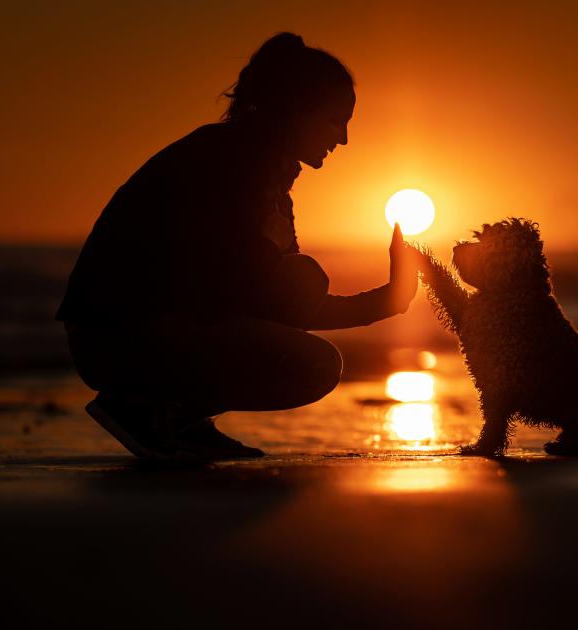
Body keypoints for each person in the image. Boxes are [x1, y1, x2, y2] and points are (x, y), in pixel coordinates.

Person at [56, 33, 419, 461]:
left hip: (140, 331)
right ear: (295, 111)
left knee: (302, 307)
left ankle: (175, 417)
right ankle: (148, 411)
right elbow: (268, 297)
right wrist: (304, 285)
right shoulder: (227, 165)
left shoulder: (264, 175)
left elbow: (277, 305)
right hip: (119, 336)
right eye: (335, 119)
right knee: (312, 358)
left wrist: (386, 302)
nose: (342, 138)